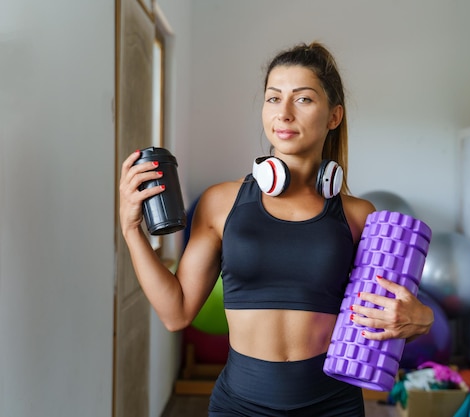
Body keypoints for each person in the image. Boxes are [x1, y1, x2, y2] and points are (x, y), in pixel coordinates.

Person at [119, 41, 434, 416]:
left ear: (334, 116)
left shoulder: (358, 215)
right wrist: (131, 229)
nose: (283, 113)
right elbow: (176, 313)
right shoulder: (221, 203)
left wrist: (423, 319)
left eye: (302, 99)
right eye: (273, 98)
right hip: (239, 406)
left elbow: (394, 310)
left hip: (332, 406)